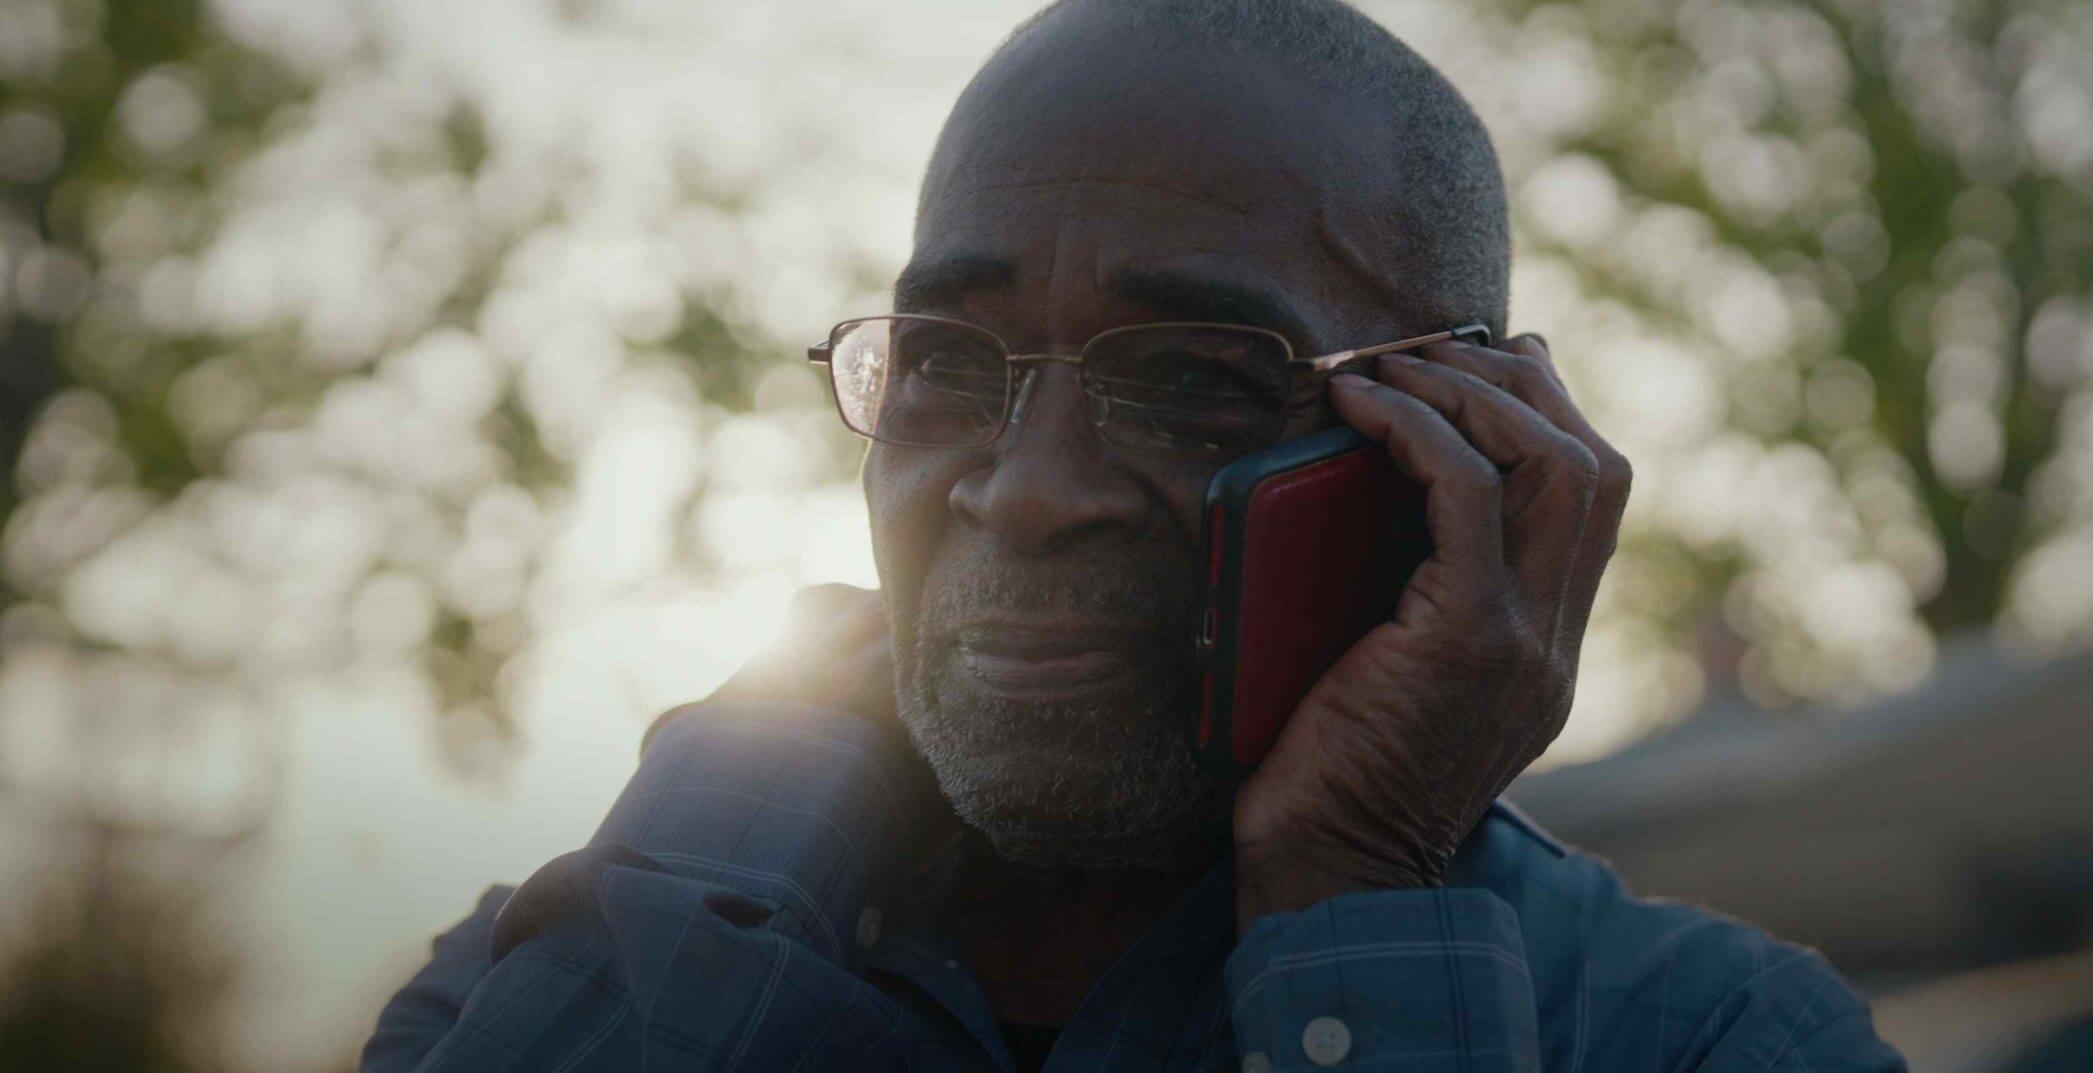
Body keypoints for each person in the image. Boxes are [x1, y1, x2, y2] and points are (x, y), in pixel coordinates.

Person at [361, 1, 1903, 1069]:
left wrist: (1356, 889)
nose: (1028, 493)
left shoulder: (1709, 1039)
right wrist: (736, 815)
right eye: (948, 362)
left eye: (1191, 381)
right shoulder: (530, 970)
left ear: (1464, 449)